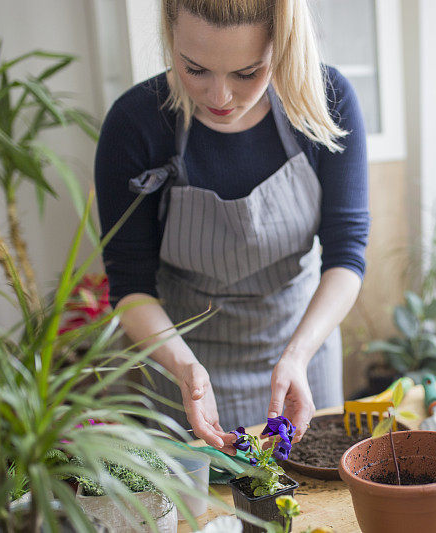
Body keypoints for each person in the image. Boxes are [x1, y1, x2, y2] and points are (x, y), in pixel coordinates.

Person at [94, 0, 369, 452]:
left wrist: (298, 356)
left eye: (247, 73)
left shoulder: (328, 99)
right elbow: (129, 286)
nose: (220, 97)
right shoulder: (135, 124)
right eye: (195, 68)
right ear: (170, 33)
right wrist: (185, 369)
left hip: (302, 351)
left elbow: (347, 255)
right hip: (186, 364)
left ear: (282, 46)